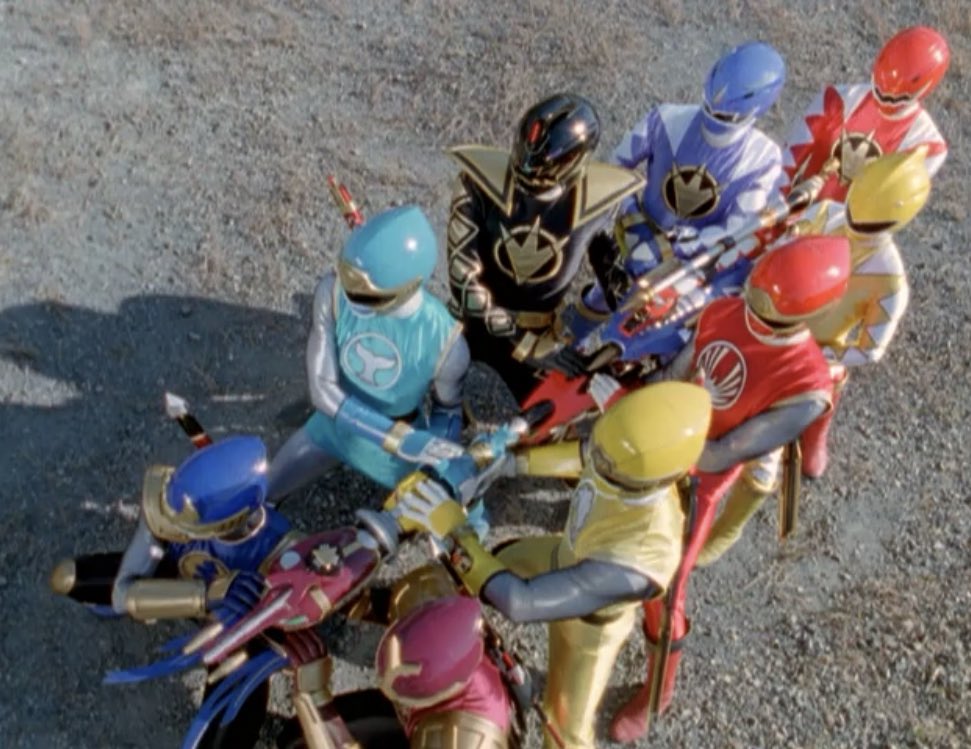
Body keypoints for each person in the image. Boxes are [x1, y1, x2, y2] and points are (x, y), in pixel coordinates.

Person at [610, 235, 851, 742]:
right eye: (752, 294)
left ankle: (659, 690)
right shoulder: (724, 309)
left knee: (667, 588)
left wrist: (655, 437)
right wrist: (625, 404)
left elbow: (726, 452)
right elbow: (677, 374)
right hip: (668, 439)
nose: (751, 308)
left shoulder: (807, 385)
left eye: (764, 304)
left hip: (700, 477)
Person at [392, 382, 712, 748]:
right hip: (567, 554)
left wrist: (455, 532)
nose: (595, 458)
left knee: (564, 728)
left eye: (606, 461)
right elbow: (585, 456)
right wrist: (509, 464)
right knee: (494, 563)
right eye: (600, 444)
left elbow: (521, 602)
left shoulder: (645, 556)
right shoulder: (625, 464)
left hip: (588, 627)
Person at [572, 40, 787, 330]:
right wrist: (629, 214)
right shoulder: (665, 119)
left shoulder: (762, 160)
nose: (714, 118)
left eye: (725, 115)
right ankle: (577, 330)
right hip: (641, 232)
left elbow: (740, 227)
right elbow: (615, 170)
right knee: (606, 292)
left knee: (650, 327)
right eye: (709, 106)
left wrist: (685, 245)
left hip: (690, 264)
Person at [446, 92, 643, 401]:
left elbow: (611, 269)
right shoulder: (479, 183)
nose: (529, 174)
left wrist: (634, 317)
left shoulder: (597, 203)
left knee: (562, 412)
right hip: (471, 327)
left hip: (542, 339)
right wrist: (527, 345)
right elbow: (463, 281)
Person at [268, 205, 471, 499]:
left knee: (445, 508)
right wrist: (394, 437)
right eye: (347, 280)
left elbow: (448, 411)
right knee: (262, 495)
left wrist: (436, 462)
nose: (350, 296)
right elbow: (322, 389)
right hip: (334, 429)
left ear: (408, 288)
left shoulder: (447, 343)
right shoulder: (332, 291)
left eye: (365, 294)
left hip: (396, 456)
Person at [783, 25, 948, 203]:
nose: (883, 99)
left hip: (851, 220)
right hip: (799, 204)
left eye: (894, 99)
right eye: (878, 87)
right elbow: (789, 158)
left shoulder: (926, 147)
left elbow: (891, 207)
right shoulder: (838, 99)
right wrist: (777, 198)